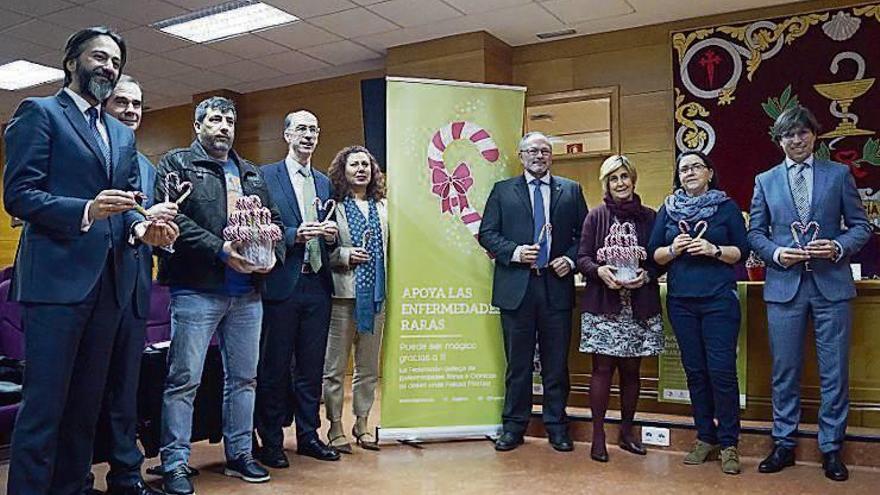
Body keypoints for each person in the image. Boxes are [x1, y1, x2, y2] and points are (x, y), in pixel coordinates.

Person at [2, 27, 175, 495]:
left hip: (109, 287)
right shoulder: (39, 114)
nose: (107, 67)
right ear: (70, 61)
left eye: (114, 61)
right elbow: (18, 195)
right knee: (44, 408)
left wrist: (142, 228)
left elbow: (120, 207)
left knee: (85, 406)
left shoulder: (120, 134)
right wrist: (84, 210)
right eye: (98, 57)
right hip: (55, 285)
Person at [156, 96, 283, 494]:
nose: (224, 126)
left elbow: (274, 220)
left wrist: (272, 256)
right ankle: (175, 462)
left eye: (229, 119)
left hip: (248, 293)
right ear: (198, 126)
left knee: (244, 378)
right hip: (197, 289)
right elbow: (172, 217)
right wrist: (221, 250)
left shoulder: (251, 172)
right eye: (214, 119)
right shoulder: (176, 164)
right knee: (184, 379)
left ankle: (240, 454)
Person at [748, 106, 871, 482]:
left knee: (835, 371)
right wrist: (776, 253)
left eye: (802, 133)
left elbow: (862, 227)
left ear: (814, 136)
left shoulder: (838, 175)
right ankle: (783, 443)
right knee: (784, 370)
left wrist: (836, 247)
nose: (796, 140)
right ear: (779, 140)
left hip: (831, 284)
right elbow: (755, 233)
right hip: (784, 287)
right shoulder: (765, 180)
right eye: (788, 135)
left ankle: (831, 448)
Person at [87, 74, 177, 495]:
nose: (131, 111)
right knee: (86, 391)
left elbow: (147, 227)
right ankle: (78, 477)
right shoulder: (88, 156)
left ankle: (126, 476)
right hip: (93, 291)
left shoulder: (146, 166)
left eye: (138, 105)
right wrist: (139, 224)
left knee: (126, 390)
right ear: (103, 104)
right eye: (122, 102)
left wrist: (159, 229)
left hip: (136, 289)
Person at [478, 131, 588, 452]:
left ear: (551, 156)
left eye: (544, 151)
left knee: (556, 364)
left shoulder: (571, 190)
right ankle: (513, 427)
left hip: (555, 286)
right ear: (521, 155)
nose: (538, 156)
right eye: (532, 151)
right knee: (519, 364)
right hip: (517, 287)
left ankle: (556, 426)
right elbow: (487, 233)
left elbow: (585, 235)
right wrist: (514, 252)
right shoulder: (502, 191)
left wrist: (570, 258)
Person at [648, 151, 749, 475]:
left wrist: (714, 250)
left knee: (721, 371)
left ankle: (730, 443)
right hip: (681, 302)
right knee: (695, 371)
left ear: (709, 172)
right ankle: (705, 437)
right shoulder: (668, 208)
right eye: (683, 169)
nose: (689, 172)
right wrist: (674, 249)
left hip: (719, 300)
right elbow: (655, 255)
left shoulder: (726, 207)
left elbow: (742, 252)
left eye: (695, 167)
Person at [256, 110, 340, 469]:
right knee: (274, 368)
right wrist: (293, 235)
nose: (308, 135)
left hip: (318, 284)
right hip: (282, 283)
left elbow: (329, 225)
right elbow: (261, 226)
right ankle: (271, 440)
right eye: (302, 129)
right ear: (287, 135)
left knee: (311, 367)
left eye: (314, 130)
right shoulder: (266, 176)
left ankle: (309, 436)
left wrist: (332, 236)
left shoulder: (323, 182)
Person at [576, 155, 663, 462]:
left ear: (633, 179)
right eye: (614, 178)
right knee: (602, 370)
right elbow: (582, 257)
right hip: (604, 305)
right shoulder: (595, 217)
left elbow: (658, 259)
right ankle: (598, 436)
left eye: (625, 177)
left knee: (631, 370)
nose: (620, 183)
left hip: (639, 304)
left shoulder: (650, 217)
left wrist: (648, 274)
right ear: (606, 184)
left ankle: (627, 432)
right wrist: (599, 271)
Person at [322, 146, 387, 453]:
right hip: (342, 297)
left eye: (366, 164)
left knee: (368, 367)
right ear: (343, 171)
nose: (361, 169)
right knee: (334, 368)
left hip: (375, 298)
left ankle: (362, 423)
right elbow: (322, 253)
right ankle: (335, 426)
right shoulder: (333, 207)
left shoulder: (385, 207)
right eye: (354, 165)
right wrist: (346, 255)